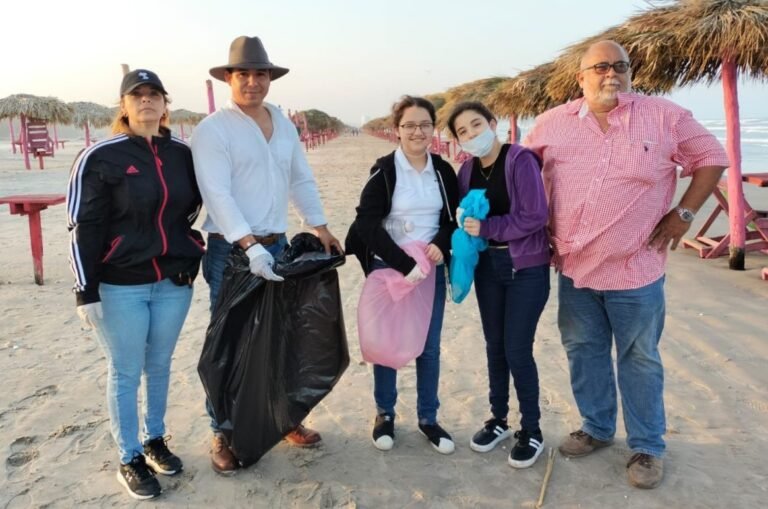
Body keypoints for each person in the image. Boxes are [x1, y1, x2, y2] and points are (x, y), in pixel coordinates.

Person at [525, 40, 729, 489]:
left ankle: (647, 446)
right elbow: (521, 174)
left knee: (639, 358)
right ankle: (597, 428)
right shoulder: (550, 124)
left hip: (636, 269)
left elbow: (712, 159)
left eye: (621, 66)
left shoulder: (663, 116)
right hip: (575, 268)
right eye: (600, 67)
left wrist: (684, 213)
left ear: (631, 73)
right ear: (581, 77)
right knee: (584, 351)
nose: (611, 74)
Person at [190, 35, 343, 474]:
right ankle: (223, 432)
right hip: (230, 251)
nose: (253, 82)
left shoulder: (283, 123)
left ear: (270, 78)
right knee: (228, 344)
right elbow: (216, 193)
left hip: (277, 244)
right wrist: (248, 244)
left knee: (280, 336)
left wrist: (320, 225)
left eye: (261, 74)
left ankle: (282, 420)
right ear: (229, 79)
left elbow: (300, 177)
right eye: (244, 74)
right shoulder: (214, 129)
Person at [66, 69, 204, 500]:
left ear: (166, 104)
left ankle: (155, 438)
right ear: (123, 106)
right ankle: (128, 457)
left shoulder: (183, 154)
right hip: (119, 286)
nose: (146, 101)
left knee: (159, 365)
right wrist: (85, 289)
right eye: (137, 95)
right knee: (126, 371)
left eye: (154, 95)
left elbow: (193, 206)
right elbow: (82, 225)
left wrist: (188, 246)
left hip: (172, 283)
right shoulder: (101, 156)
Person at [346, 95, 459, 455]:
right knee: (385, 343)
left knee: (429, 346)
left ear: (433, 128)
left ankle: (428, 418)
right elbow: (366, 222)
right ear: (397, 131)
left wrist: (442, 243)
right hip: (390, 267)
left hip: (430, 268)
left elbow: (452, 218)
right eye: (409, 125)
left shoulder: (442, 170)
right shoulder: (385, 170)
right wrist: (403, 264)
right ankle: (385, 414)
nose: (417, 131)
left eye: (424, 124)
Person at [446, 102, 550, 468]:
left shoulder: (519, 160)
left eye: (477, 125)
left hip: (525, 267)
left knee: (517, 348)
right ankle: (499, 420)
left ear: (493, 124)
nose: (473, 134)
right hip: (487, 266)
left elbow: (535, 215)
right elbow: (464, 215)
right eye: (463, 131)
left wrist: (488, 228)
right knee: (495, 346)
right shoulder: (466, 170)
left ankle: (532, 429)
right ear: (457, 140)